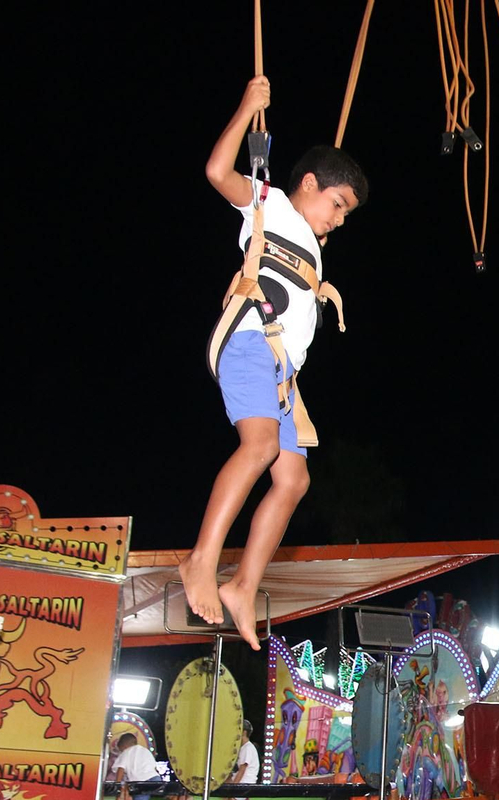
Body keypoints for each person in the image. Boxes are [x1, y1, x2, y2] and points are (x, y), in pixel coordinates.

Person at [178, 75, 369, 651]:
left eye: (346, 214)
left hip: (282, 371)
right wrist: (247, 107)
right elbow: (217, 171)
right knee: (259, 447)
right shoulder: (272, 203)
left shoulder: (312, 241)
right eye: (337, 204)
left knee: (293, 479)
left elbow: (320, 231)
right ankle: (201, 559)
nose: (339, 219)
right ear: (308, 184)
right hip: (249, 343)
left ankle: (242, 586)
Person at [229, 720, 259, 785]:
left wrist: (233, 788)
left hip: (245, 784)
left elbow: (242, 770)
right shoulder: (243, 747)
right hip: (242, 782)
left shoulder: (248, 748)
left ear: (244, 732)